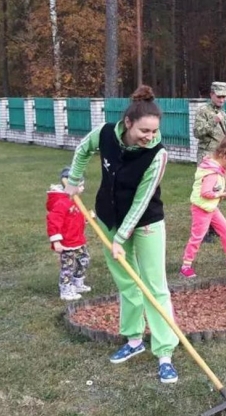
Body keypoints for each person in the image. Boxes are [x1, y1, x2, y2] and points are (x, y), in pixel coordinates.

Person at [63, 85, 180, 384]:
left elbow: (142, 201)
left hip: (146, 223)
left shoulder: (157, 154)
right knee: (127, 283)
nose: (149, 137)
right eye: (144, 130)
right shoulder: (104, 134)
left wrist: (121, 237)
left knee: (155, 286)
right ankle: (133, 340)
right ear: (128, 123)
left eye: (154, 131)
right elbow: (82, 150)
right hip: (108, 218)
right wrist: (74, 180)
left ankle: (164, 353)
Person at [180, 135, 226, 279]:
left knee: (225, 228)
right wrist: (222, 193)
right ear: (223, 156)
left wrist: (222, 193)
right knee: (197, 237)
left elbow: (212, 191)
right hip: (202, 208)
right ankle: (185, 266)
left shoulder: (214, 166)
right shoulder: (212, 173)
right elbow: (206, 193)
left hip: (210, 207)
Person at [46, 168, 91, 301]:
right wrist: (56, 241)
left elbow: (74, 216)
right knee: (68, 266)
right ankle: (66, 289)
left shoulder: (73, 199)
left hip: (78, 240)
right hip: (67, 243)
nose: (82, 188)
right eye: (80, 185)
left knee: (84, 259)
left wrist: (86, 218)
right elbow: (53, 222)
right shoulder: (61, 202)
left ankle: (77, 282)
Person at [194, 81, 226, 243]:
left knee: (218, 190)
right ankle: (203, 231)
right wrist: (214, 121)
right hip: (207, 157)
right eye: (219, 96)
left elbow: (220, 135)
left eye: (225, 97)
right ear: (211, 95)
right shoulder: (204, 111)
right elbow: (198, 132)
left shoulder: (223, 113)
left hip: (220, 157)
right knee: (206, 192)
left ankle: (213, 225)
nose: (222, 99)